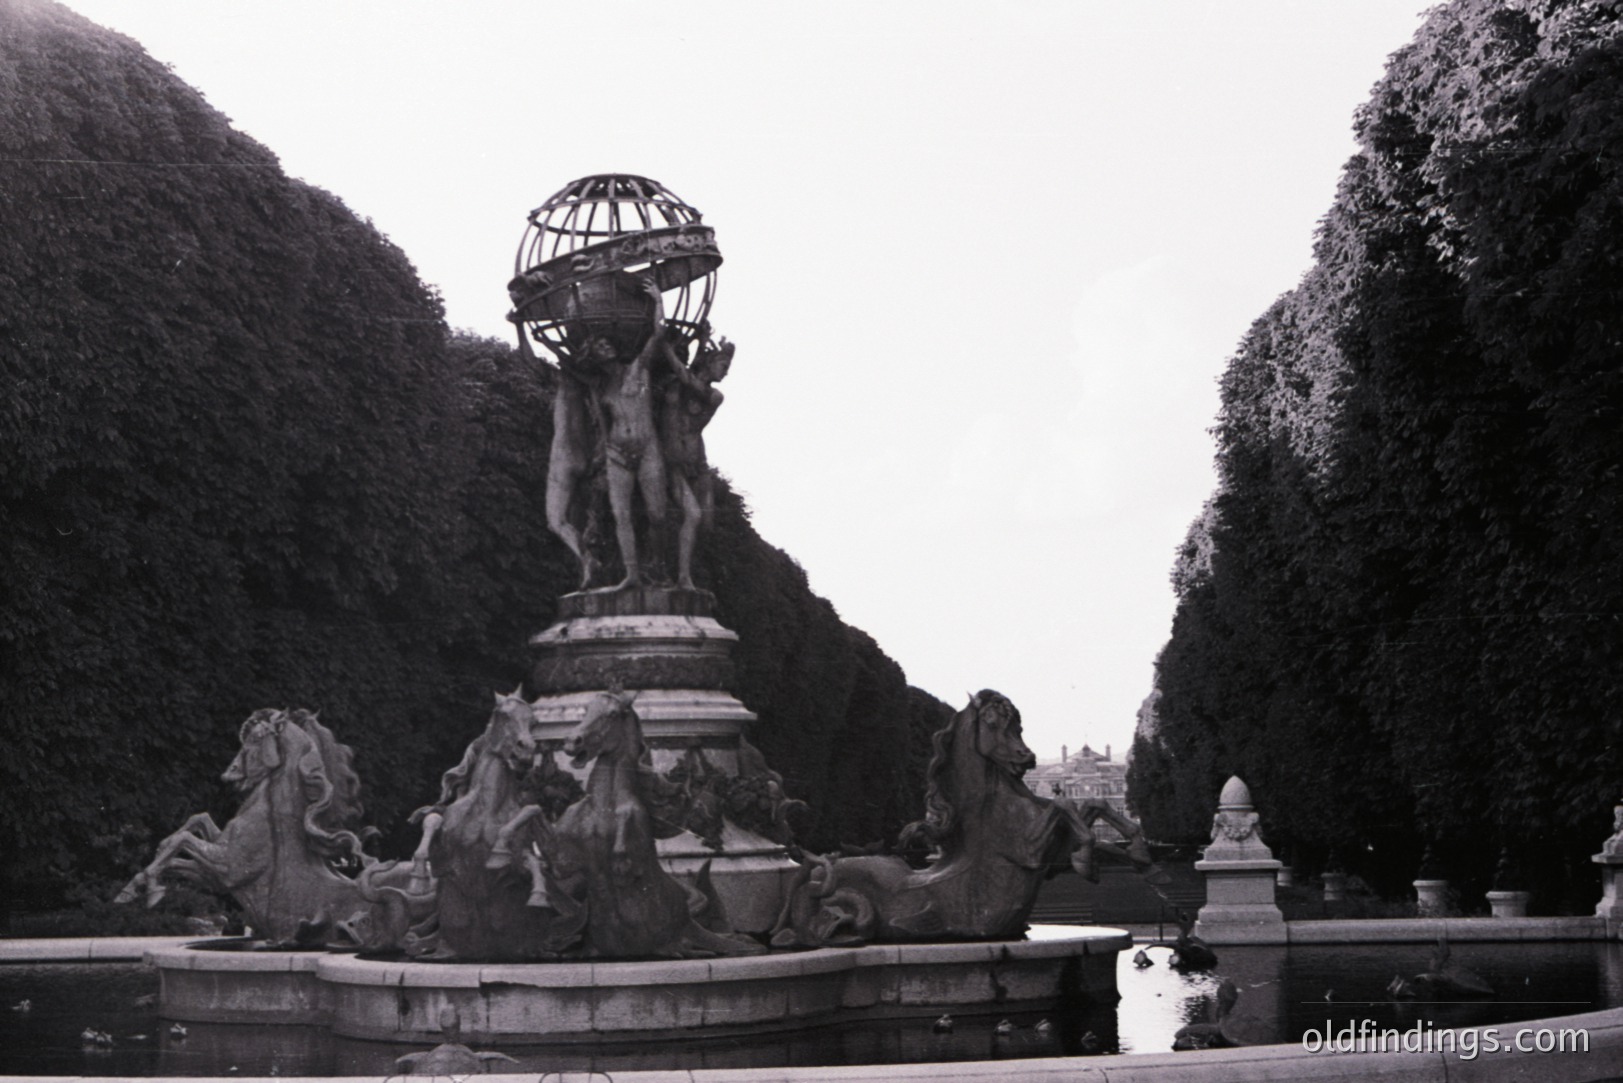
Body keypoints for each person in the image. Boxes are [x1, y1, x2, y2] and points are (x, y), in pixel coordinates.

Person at [588, 274, 670, 591]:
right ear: (593, 355)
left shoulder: (639, 366)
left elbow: (659, 333)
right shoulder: (600, 387)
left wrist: (658, 300)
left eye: (607, 343)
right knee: (621, 515)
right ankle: (631, 575)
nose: (604, 347)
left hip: (648, 449)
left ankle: (656, 567)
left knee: (657, 515)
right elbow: (603, 424)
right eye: (598, 346)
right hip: (617, 454)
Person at [659, 330, 733, 590]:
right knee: (689, 515)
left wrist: (664, 345)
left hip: (693, 464)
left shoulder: (714, 396)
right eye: (724, 366)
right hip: (669, 459)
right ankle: (678, 575)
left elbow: (685, 375)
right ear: (711, 362)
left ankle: (683, 573)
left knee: (700, 520)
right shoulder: (677, 384)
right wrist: (698, 340)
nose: (726, 373)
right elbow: (686, 373)